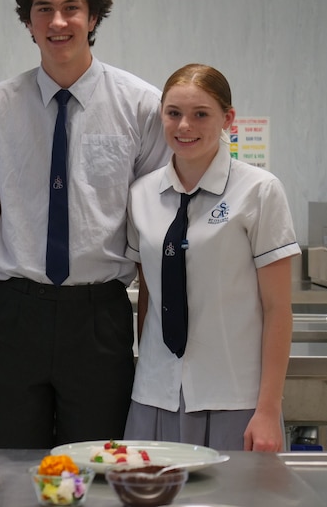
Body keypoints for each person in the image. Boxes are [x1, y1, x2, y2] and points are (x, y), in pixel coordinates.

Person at [0, 0, 172, 449]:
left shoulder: (140, 105)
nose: (57, 21)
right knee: (9, 465)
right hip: (15, 312)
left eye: (71, 8)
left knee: (100, 463)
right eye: (43, 9)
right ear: (27, 22)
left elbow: (156, 230)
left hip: (99, 314)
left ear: (94, 16)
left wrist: (152, 335)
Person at [124, 64, 299, 451]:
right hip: (155, 395)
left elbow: (277, 309)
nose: (185, 126)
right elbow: (151, 297)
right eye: (174, 113)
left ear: (228, 118)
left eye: (200, 114)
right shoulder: (141, 195)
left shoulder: (259, 191)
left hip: (234, 399)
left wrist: (268, 409)